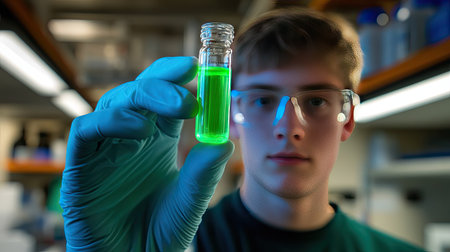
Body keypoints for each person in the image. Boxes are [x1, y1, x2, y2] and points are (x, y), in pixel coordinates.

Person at [60, 8, 425, 252]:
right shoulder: (180, 246)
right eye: (263, 100)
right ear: (230, 115)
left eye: (316, 102)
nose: (289, 127)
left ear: (347, 118)